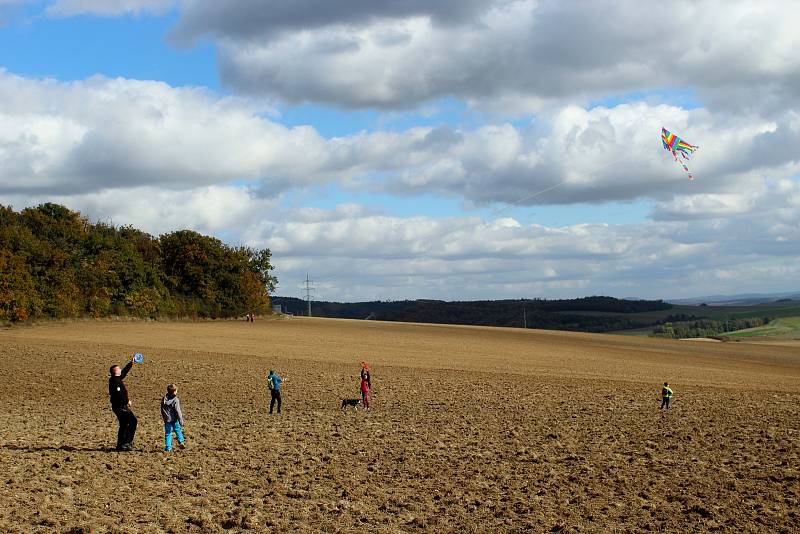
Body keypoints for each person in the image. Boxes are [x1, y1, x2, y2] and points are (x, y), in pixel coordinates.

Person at [109, 356, 138, 451]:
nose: (121, 369)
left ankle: (121, 445)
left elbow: (124, 372)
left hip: (120, 406)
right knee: (132, 421)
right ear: (115, 371)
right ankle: (126, 442)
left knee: (124, 424)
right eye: (119, 369)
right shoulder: (115, 383)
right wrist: (127, 402)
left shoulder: (116, 378)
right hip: (120, 407)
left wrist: (131, 363)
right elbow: (119, 395)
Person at [160, 383, 186, 452]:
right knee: (178, 430)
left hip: (167, 420)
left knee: (168, 434)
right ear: (174, 392)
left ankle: (168, 448)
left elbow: (162, 409)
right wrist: (181, 420)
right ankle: (181, 441)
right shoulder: (175, 400)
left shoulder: (164, 399)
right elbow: (178, 411)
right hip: (175, 419)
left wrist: (164, 418)